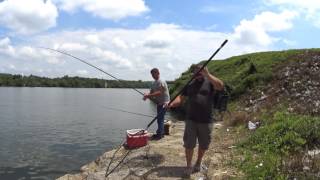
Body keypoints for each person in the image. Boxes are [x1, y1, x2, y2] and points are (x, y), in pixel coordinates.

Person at [167, 64, 224, 176]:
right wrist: (171, 104)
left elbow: (220, 86)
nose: (198, 74)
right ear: (193, 73)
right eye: (196, 72)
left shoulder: (210, 83)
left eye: (201, 72)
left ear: (205, 72)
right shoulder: (189, 84)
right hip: (191, 120)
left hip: (206, 120)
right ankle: (188, 166)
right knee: (189, 144)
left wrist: (207, 75)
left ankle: (198, 162)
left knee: (204, 144)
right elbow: (180, 98)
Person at [143, 68, 170, 140]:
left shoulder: (161, 81)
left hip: (165, 103)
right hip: (159, 103)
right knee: (159, 118)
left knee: (160, 119)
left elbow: (160, 92)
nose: (152, 75)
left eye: (154, 74)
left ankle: (160, 134)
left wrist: (148, 96)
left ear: (158, 73)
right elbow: (151, 92)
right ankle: (161, 132)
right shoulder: (154, 83)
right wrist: (146, 96)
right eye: (151, 74)